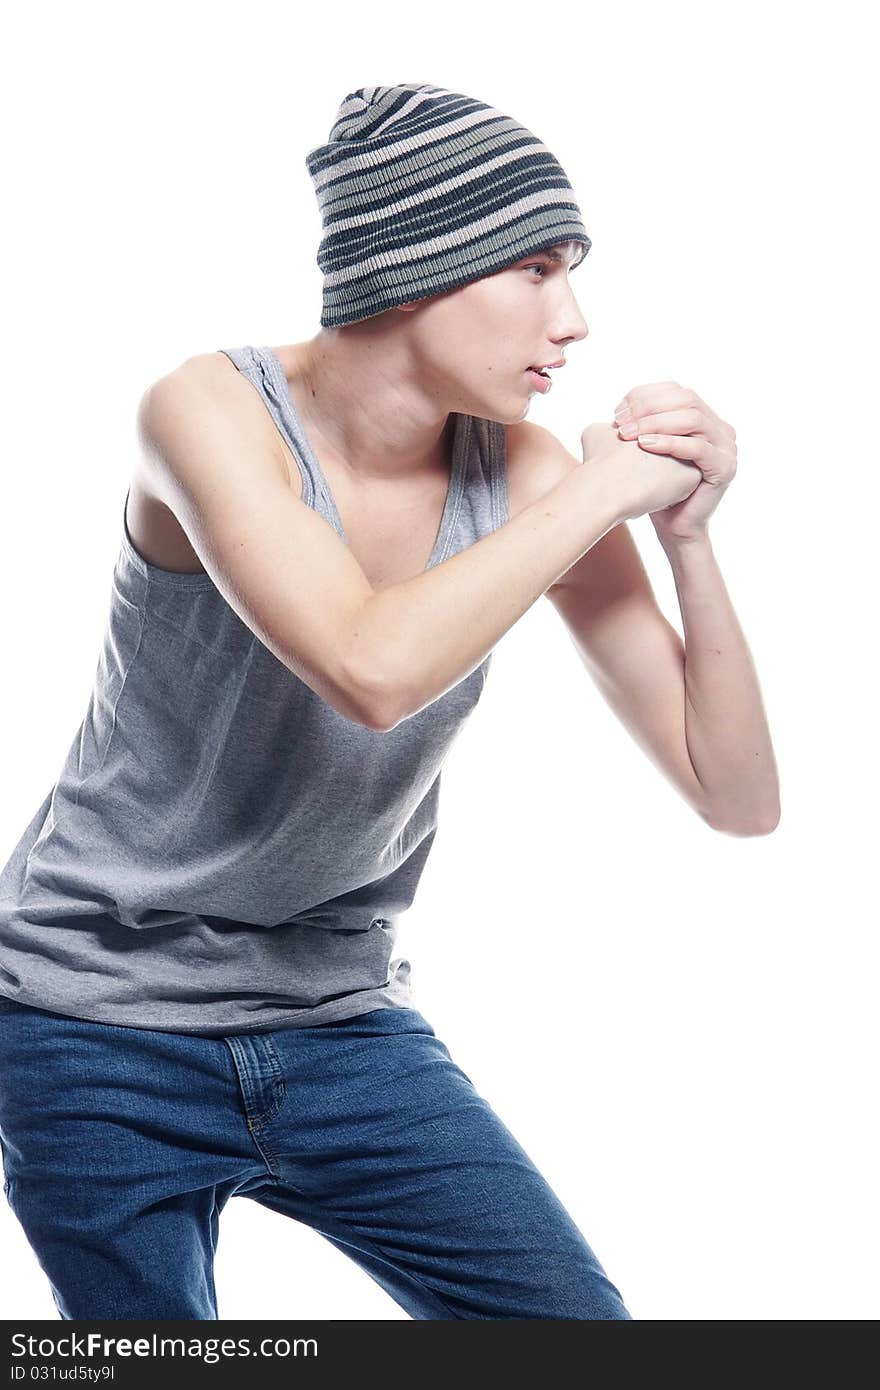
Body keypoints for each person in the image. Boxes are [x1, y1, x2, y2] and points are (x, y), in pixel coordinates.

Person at [0, 82, 778, 1322]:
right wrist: (594, 492)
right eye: (535, 267)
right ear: (421, 263)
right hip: (91, 1023)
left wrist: (684, 537)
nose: (571, 320)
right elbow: (368, 668)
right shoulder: (204, 411)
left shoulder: (518, 472)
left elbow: (735, 797)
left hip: (340, 1020)